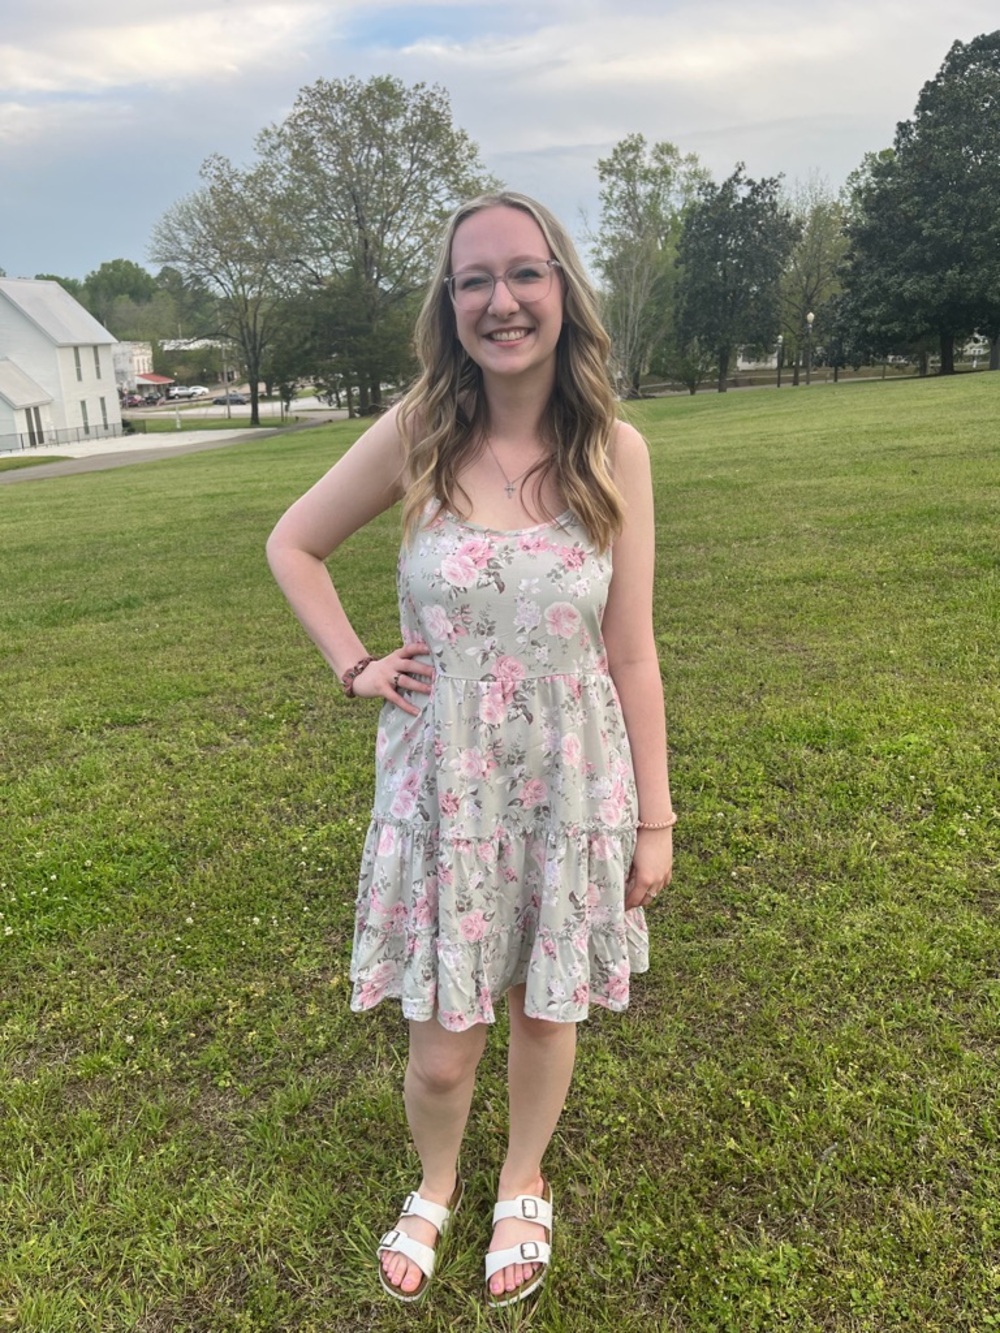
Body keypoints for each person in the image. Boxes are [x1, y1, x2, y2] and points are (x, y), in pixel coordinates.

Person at [266, 191, 675, 1309]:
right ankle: (437, 1179)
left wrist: (654, 819)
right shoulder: (419, 433)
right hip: (441, 793)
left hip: (568, 786)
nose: (502, 300)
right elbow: (294, 543)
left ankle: (521, 1176)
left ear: (562, 289)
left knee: (546, 1008)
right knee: (443, 1046)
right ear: (449, 305)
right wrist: (355, 664)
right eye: (474, 280)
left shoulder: (615, 452)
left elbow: (631, 653)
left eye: (524, 273)